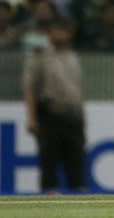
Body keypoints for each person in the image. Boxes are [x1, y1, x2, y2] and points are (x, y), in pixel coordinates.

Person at [22, 16, 86, 193]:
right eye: (56, 29)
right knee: (49, 163)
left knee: (76, 163)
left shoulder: (73, 56)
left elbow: (77, 91)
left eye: (63, 30)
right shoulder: (40, 56)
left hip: (73, 116)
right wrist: (31, 118)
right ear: (50, 32)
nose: (60, 34)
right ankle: (48, 199)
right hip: (50, 113)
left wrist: (82, 118)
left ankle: (79, 199)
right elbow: (30, 88)